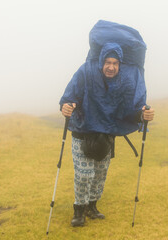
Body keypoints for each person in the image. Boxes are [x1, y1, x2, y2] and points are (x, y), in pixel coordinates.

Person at [59, 21, 154, 227]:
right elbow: (69, 97)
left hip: (107, 133)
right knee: (84, 174)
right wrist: (66, 107)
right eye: (108, 62)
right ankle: (79, 210)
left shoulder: (125, 82)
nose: (111, 67)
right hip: (82, 131)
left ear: (120, 64)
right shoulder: (85, 72)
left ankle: (92, 206)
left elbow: (130, 109)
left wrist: (142, 115)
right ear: (101, 61)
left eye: (115, 63)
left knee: (100, 174)